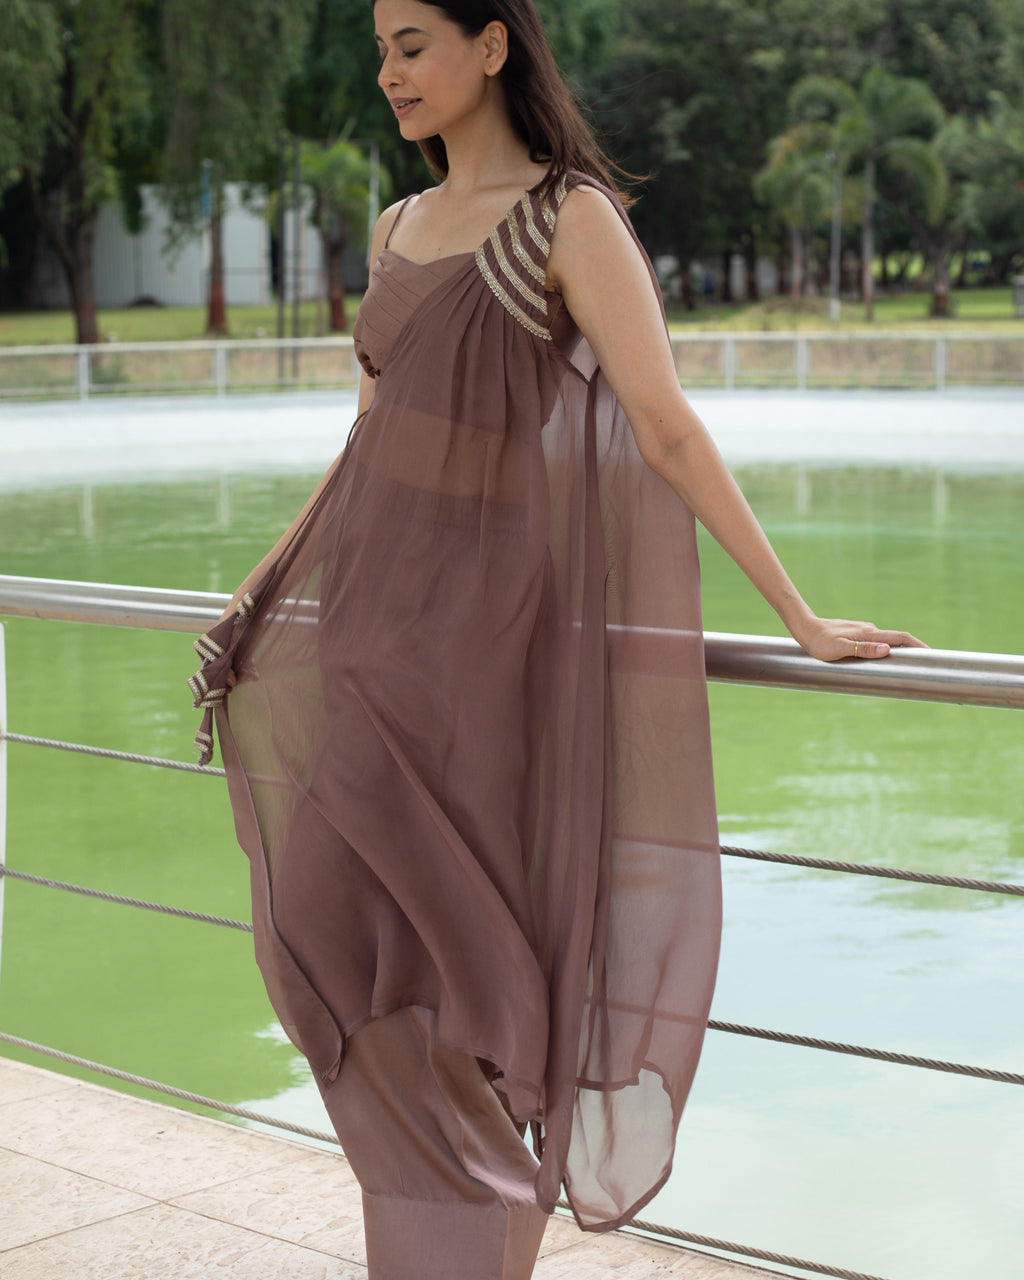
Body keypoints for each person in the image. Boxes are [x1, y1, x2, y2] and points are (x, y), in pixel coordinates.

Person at [189, 3, 924, 1277]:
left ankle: (472, 1247)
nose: (388, 73)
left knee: (475, 977)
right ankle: (441, 1234)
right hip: (364, 634)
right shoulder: (400, 226)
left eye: (411, 42)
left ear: (490, 46)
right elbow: (366, 443)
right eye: (380, 49)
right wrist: (257, 589)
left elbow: (667, 427)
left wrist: (798, 613)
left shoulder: (571, 218)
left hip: (478, 656)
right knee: (327, 929)